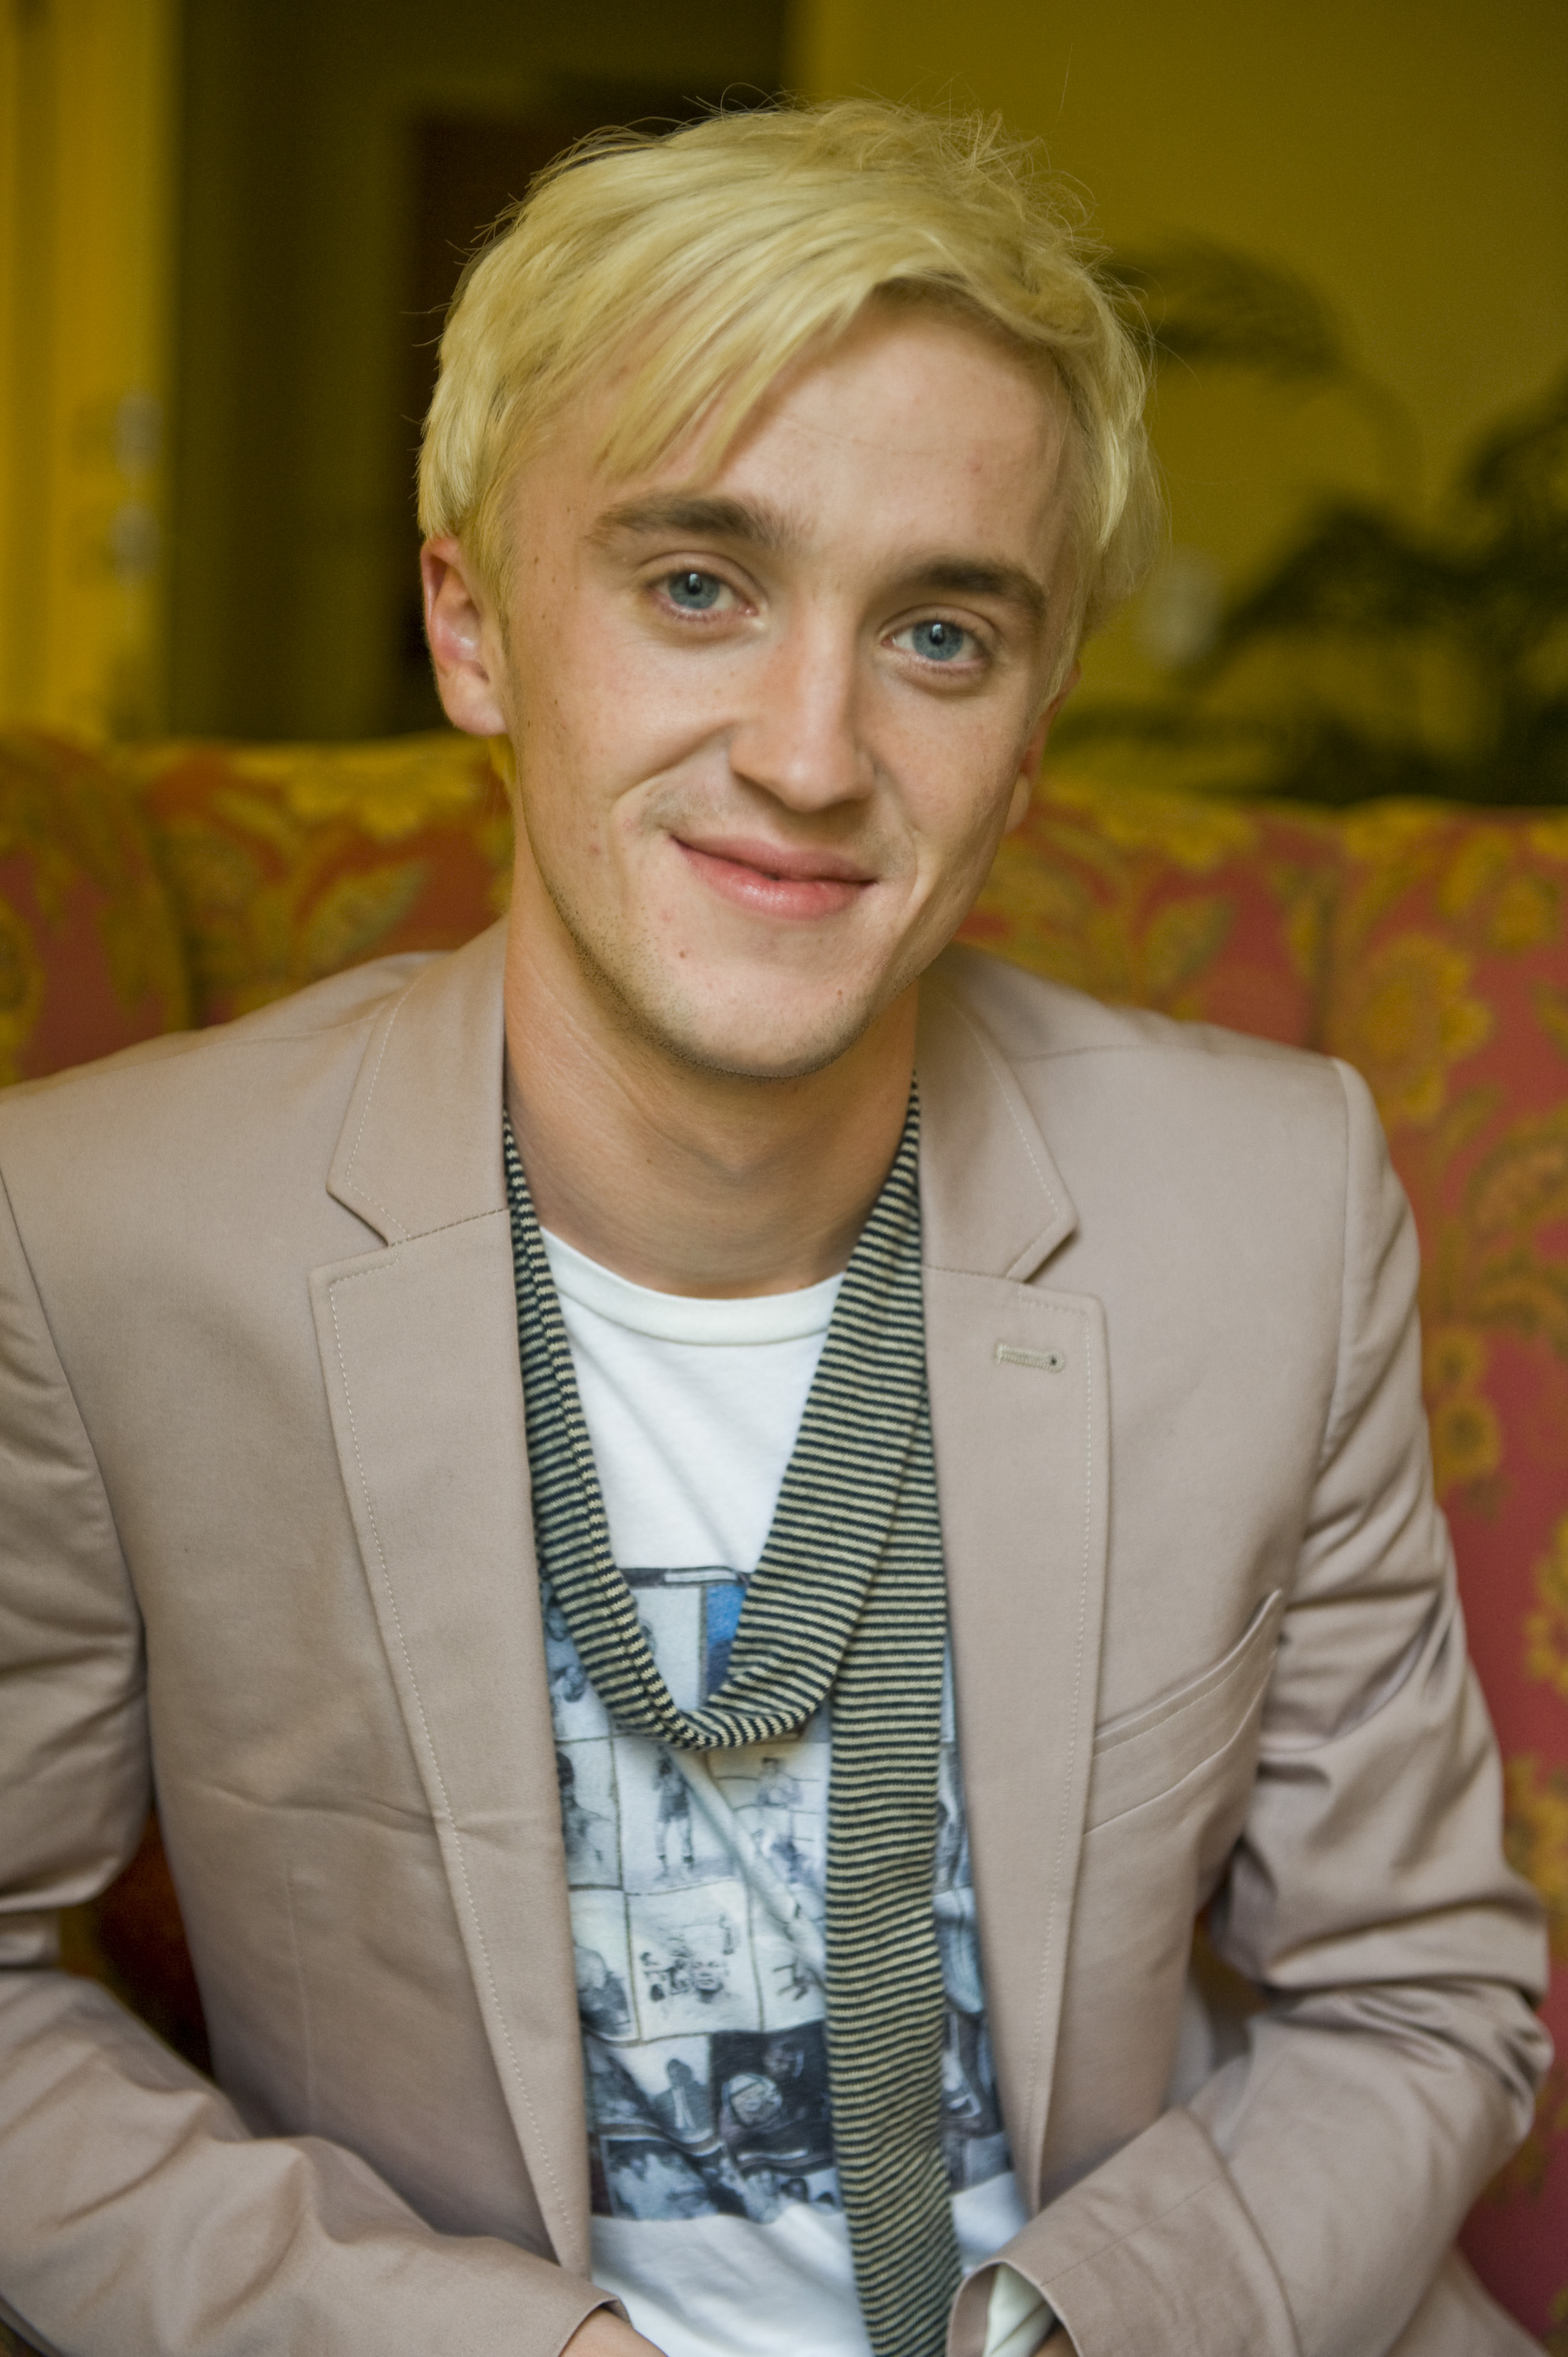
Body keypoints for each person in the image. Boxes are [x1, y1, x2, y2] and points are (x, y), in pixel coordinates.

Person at [0, 98, 1552, 2357]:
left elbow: (1422, 1998)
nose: (810, 753)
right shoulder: (101, 1232)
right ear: (471, 625)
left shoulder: (1270, 1204)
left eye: (937, 631)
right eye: (696, 583)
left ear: (1025, 735)